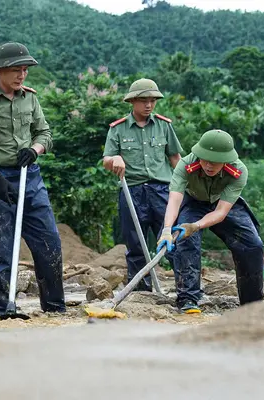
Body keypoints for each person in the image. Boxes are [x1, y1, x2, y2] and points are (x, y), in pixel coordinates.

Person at [0, 42, 66, 316]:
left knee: (49, 243)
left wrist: (35, 150)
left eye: (25, 70)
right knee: (2, 248)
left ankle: (55, 308)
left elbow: (45, 133)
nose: (22, 75)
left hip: (29, 177)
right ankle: (4, 309)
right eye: (16, 70)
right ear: (0, 70)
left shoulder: (30, 98)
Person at [157, 129, 264, 314]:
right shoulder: (185, 165)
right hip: (192, 202)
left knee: (252, 245)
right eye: (204, 158)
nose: (208, 165)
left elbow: (221, 212)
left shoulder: (238, 171)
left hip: (222, 203)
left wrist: (195, 226)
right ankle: (188, 300)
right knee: (185, 242)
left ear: (226, 160)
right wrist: (167, 230)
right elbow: (174, 200)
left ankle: (251, 306)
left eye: (214, 162)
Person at [102, 78, 183, 292]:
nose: (148, 105)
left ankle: (187, 289)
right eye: (144, 101)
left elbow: (175, 158)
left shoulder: (164, 126)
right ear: (133, 102)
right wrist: (115, 160)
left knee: (171, 239)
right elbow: (106, 160)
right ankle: (141, 291)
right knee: (136, 244)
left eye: (152, 101)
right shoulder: (118, 129)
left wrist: (185, 187)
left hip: (161, 191)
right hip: (132, 191)